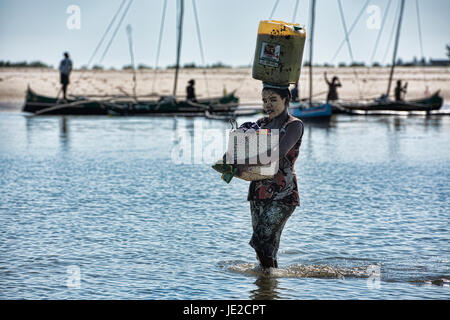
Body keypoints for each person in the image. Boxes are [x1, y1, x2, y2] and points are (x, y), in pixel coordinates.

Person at [234, 84, 304, 271]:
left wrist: (245, 161)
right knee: (265, 248)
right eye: (265, 100)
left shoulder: (294, 125)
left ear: (286, 100)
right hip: (257, 191)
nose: (268, 104)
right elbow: (245, 147)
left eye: (273, 99)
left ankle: (268, 282)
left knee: (260, 241)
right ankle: (268, 286)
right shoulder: (262, 123)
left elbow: (279, 152)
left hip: (283, 194)